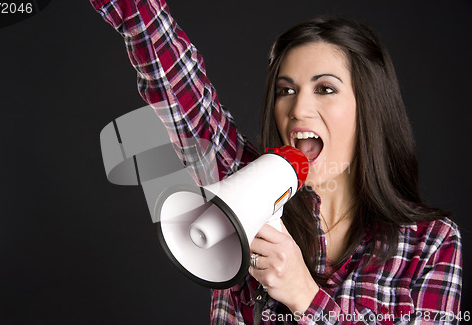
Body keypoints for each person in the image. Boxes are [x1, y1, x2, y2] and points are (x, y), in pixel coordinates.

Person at [89, 0, 462, 324]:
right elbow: (175, 82)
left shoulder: (431, 244)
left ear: (369, 108)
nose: (298, 109)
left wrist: (305, 298)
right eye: (286, 90)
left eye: (325, 89)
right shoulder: (243, 183)